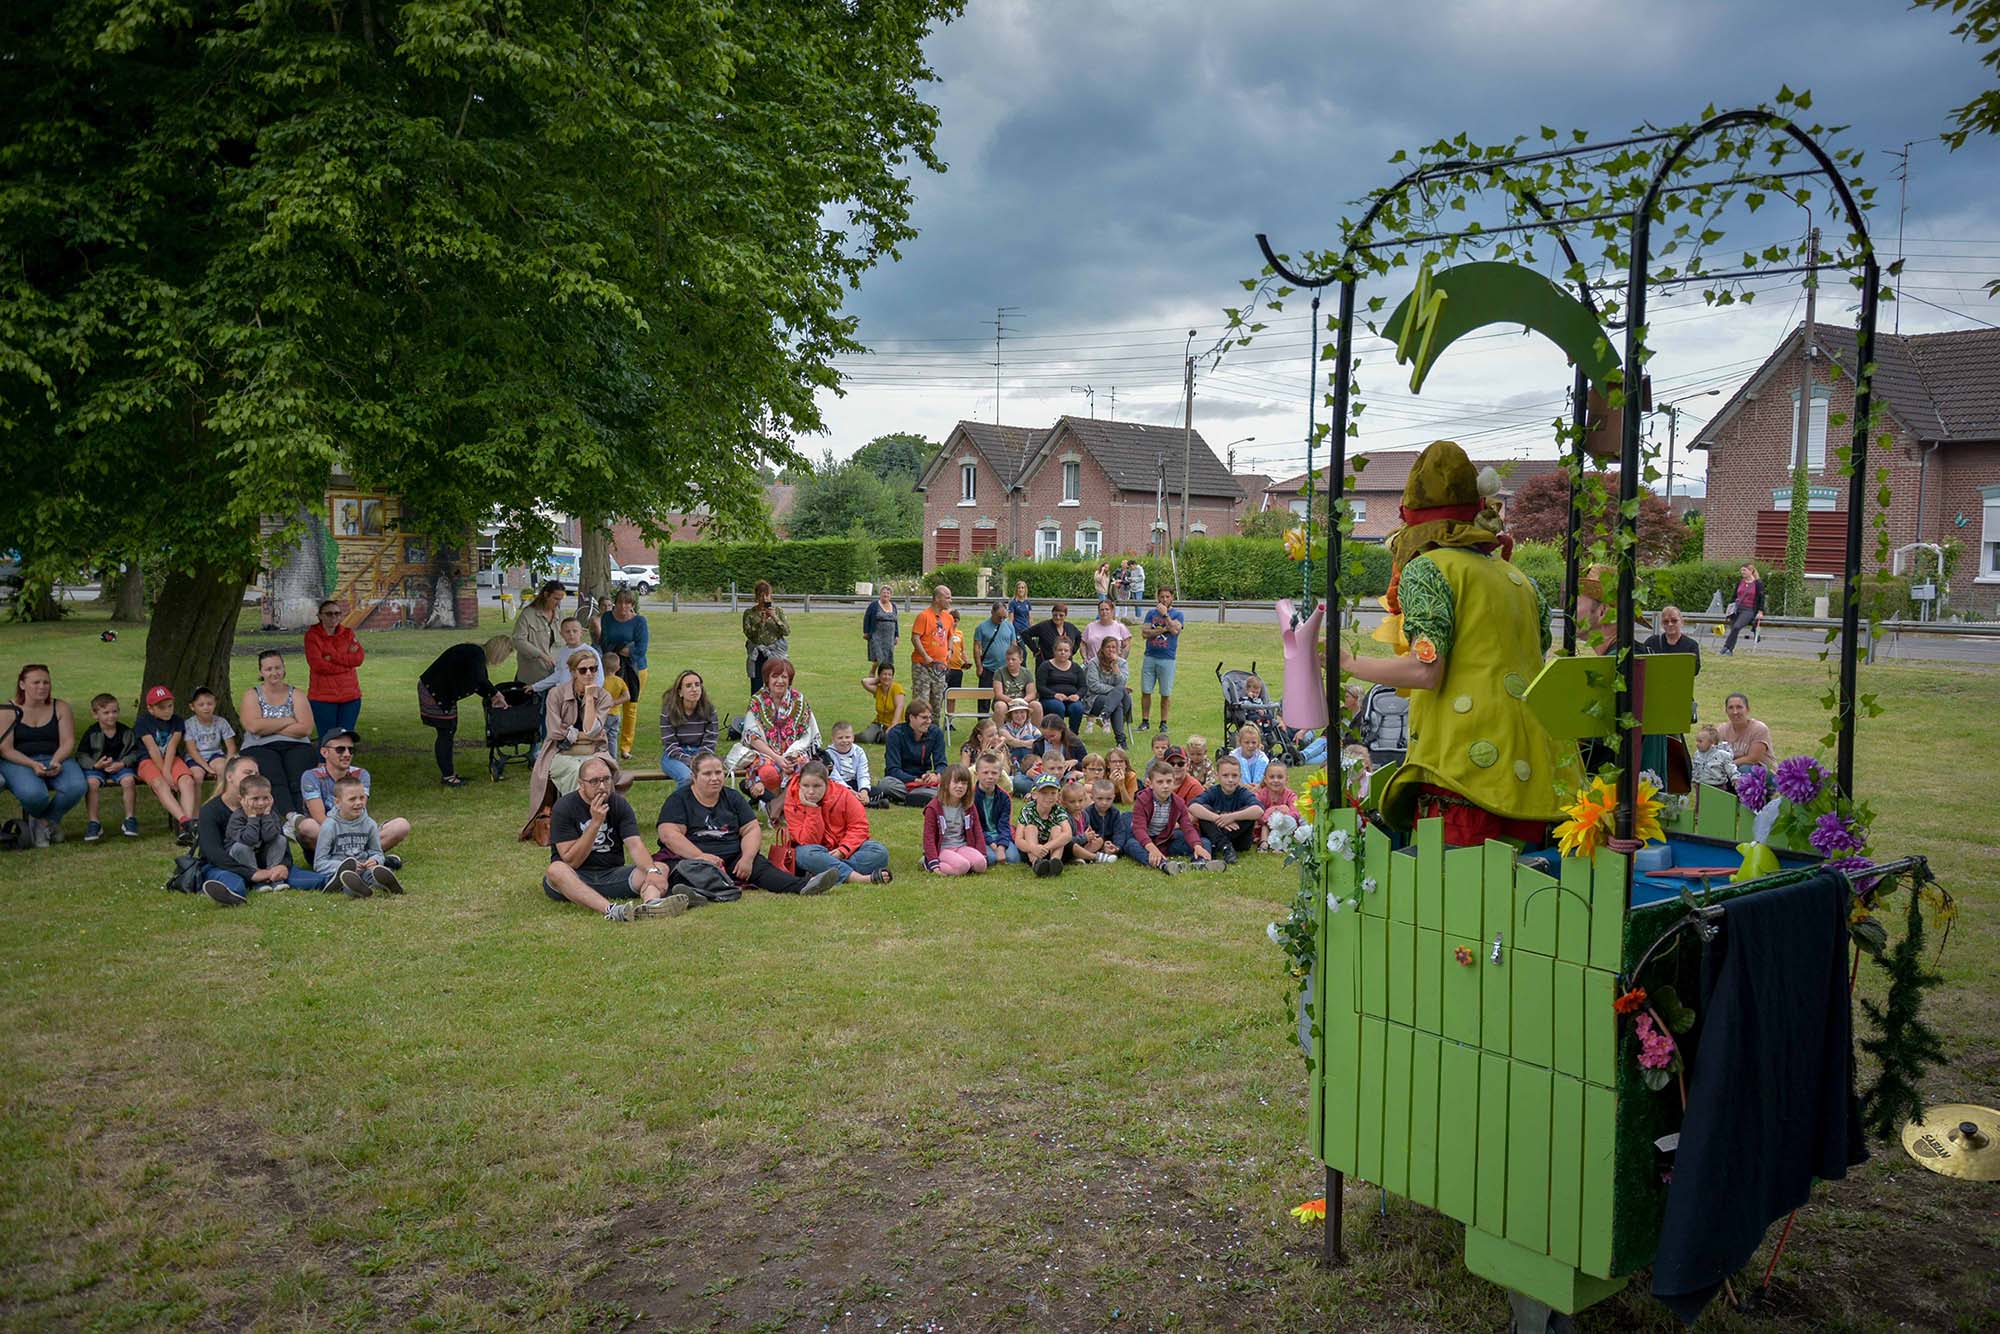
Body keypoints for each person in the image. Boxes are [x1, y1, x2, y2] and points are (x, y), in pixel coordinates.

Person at [1337, 439, 1565, 846]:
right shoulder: (1520, 581)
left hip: (1464, 765)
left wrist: (1350, 663)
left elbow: (1426, 670)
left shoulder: (1428, 570)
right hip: (1529, 762)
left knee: (1457, 892)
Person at [657, 752, 843, 897]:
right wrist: (700, 856)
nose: (715, 778)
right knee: (682, 872)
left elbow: (751, 829)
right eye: (707, 774)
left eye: (718, 772)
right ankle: (698, 892)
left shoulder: (732, 797)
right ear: (694, 776)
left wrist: (746, 858)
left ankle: (804, 886)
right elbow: (669, 835)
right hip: (693, 860)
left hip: (733, 859)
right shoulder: (679, 800)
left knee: (762, 868)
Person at [543, 756, 688, 921]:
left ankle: (652, 904)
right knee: (556, 870)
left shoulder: (619, 804)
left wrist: (652, 871)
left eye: (606, 779)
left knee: (660, 867)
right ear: (581, 784)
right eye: (594, 781)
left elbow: (635, 845)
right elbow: (571, 861)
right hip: (574, 879)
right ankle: (612, 910)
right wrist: (595, 824)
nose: (602, 786)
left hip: (612, 875)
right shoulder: (564, 807)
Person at [195, 756, 335, 905]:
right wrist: (252, 874)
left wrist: (283, 865)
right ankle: (231, 894)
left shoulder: (264, 805)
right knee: (232, 880)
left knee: (297, 876)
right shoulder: (210, 810)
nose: (254, 778)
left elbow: (279, 840)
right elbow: (213, 854)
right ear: (230, 777)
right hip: (227, 865)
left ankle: (334, 881)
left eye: (257, 774)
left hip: (266, 862)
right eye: (248, 773)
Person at [525, 649, 619, 825]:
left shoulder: (603, 696)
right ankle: (579, 820)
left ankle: (599, 820)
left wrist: (590, 699)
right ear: (573, 672)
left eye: (593, 669)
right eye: (583, 670)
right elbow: (554, 731)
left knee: (598, 773)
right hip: (559, 753)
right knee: (577, 772)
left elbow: (592, 732)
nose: (589, 674)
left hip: (595, 752)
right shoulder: (556, 694)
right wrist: (579, 735)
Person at [3, 665, 93, 847]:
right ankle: (46, 824)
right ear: (22, 684)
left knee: (76, 786)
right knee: (35, 795)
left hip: (54, 757)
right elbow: (6, 749)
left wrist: (56, 761)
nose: (42, 687)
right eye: (36, 682)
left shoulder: (60, 707)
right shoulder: (7, 710)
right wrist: (32, 765)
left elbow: (68, 742)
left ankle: (43, 823)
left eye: (46, 682)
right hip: (18, 760)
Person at [295, 728, 411, 858]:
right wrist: (344, 839)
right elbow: (320, 817)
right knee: (308, 826)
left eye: (351, 750)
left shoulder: (361, 774)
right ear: (324, 752)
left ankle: (357, 859)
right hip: (327, 837)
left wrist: (354, 839)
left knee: (401, 825)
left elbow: (359, 811)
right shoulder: (311, 776)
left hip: (357, 834)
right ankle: (364, 858)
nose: (347, 754)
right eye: (340, 749)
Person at [418, 636, 515, 786]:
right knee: (446, 732)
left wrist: (493, 696)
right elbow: (480, 679)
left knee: (448, 730)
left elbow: (478, 683)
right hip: (434, 691)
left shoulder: (475, 654)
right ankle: (448, 777)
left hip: (440, 691)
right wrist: (496, 694)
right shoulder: (475, 654)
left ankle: (449, 774)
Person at [785, 762, 891, 886]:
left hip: (845, 850)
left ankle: (822, 871)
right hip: (814, 850)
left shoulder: (844, 794)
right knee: (803, 854)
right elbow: (808, 841)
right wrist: (812, 809)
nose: (811, 791)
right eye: (805, 786)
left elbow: (859, 827)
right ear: (799, 784)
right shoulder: (792, 800)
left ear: (827, 783)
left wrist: (843, 850)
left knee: (879, 852)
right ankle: (858, 878)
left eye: (817, 786)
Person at [239, 650, 317, 817]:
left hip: (296, 744)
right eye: (268, 669)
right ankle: (289, 816)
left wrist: (267, 726)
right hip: (259, 746)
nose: (274, 673)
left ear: (284, 668)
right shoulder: (252, 694)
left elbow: (306, 729)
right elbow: (253, 727)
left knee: (298, 773)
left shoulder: (296, 694)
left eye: (277, 668)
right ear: (261, 672)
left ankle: (302, 816)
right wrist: (289, 720)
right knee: (274, 774)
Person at [310, 773, 408, 896]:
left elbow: (377, 852)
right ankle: (354, 889)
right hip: (339, 870)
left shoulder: (369, 824)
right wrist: (343, 866)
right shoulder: (329, 827)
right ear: (337, 802)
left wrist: (375, 860)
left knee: (372, 873)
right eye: (352, 799)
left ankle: (386, 883)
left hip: (364, 867)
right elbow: (319, 863)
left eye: (362, 798)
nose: (359, 802)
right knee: (345, 878)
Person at [731, 658, 820, 791]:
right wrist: (777, 758)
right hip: (766, 753)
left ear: (790, 680)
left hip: (793, 752)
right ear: (767, 679)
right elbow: (752, 737)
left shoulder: (799, 700)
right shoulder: (757, 701)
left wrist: (789, 755)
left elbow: (806, 735)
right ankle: (771, 802)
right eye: (775, 676)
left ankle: (791, 802)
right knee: (768, 772)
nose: (780, 681)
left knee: (802, 766)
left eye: (784, 677)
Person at [133, 685, 202, 841]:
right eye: (162, 707)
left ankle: (187, 828)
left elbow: (171, 747)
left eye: (170, 706)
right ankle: (184, 821)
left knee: (187, 781)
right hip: (148, 760)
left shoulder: (177, 721)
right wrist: (165, 774)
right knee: (159, 783)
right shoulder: (143, 722)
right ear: (151, 709)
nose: (167, 711)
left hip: (171, 759)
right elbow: (152, 749)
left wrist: (168, 770)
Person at [1126, 758, 1217, 872]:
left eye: (1169, 781)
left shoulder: (1178, 802)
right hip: (1145, 841)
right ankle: (1164, 864)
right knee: (1131, 845)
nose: (1165, 786)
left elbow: (1187, 827)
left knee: (1203, 842)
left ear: (1173, 782)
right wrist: (1152, 849)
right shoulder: (1143, 800)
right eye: (1160, 782)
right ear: (1150, 784)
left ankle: (1201, 862)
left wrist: (1196, 846)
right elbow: (1139, 829)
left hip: (1166, 841)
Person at [77, 692, 142, 841]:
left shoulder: (126, 732)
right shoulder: (92, 733)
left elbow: (135, 752)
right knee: (91, 783)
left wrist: (123, 763)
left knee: (129, 781)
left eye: (114, 711)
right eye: (106, 713)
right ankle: (94, 822)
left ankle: (130, 819)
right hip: (97, 767)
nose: (111, 716)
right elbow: (81, 755)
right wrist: (95, 765)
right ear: (95, 715)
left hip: (120, 766)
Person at [596, 588, 650, 761]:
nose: (622, 606)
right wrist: (624, 646)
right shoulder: (607, 618)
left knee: (630, 706)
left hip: (635, 669)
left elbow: (641, 649)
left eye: (627, 603)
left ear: (633, 605)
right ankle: (605, 741)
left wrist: (622, 647)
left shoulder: (640, 621)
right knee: (609, 704)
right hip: (611, 668)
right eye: (619, 602)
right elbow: (605, 643)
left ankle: (626, 746)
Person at [304, 599, 366, 739]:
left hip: (350, 696)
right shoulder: (312, 636)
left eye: (337, 614)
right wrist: (347, 666)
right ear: (320, 616)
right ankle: (323, 762)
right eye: (329, 614)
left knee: (345, 738)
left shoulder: (348, 633)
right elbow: (318, 665)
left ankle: (342, 762)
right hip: (323, 698)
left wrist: (331, 657)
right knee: (328, 739)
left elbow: (358, 659)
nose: (334, 617)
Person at [1189, 754, 1265, 865]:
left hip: (1239, 841)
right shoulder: (1213, 791)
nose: (1230, 780)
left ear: (1240, 776)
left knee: (1248, 811)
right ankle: (1225, 847)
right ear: (1217, 776)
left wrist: (1231, 817)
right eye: (1225, 775)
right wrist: (1218, 818)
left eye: (1234, 776)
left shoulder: (1243, 792)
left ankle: (1224, 845)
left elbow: (1259, 810)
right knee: (1204, 810)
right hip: (1216, 832)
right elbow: (1193, 806)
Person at [921, 763, 988, 876]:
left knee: (981, 864)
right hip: (943, 848)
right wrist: (934, 862)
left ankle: (961, 862)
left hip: (961, 846)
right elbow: (929, 837)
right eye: (956, 782)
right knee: (963, 866)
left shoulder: (968, 806)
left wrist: (982, 853)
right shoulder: (933, 808)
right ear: (946, 784)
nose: (960, 786)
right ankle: (928, 862)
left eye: (964, 783)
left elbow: (977, 830)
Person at [658, 669, 720, 788]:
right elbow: (669, 744)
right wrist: (688, 760)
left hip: (701, 753)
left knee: (712, 777)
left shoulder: (709, 710)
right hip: (673, 755)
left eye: (697, 685)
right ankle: (679, 806)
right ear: (680, 692)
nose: (694, 689)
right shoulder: (668, 711)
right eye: (688, 686)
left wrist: (699, 759)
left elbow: (710, 741)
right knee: (687, 778)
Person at [225, 774, 293, 880]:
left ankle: (273, 875)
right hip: (242, 860)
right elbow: (249, 840)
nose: (261, 803)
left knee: (280, 839)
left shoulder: (271, 814)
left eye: (265, 798)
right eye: (255, 799)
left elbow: (270, 837)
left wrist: (266, 815)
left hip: (261, 856)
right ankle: (257, 878)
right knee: (241, 847)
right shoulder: (237, 817)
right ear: (242, 799)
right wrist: (252, 817)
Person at [879, 701, 945, 806]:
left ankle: (917, 796)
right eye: (924, 718)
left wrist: (935, 775)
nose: (928, 721)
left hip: (926, 781)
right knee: (885, 784)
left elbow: (942, 764)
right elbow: (893, 769)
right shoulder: (895, 734)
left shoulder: (936, 733)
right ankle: (923, 796)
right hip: (903, 781)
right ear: (911, 717)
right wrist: (916, 780)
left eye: (929, 718)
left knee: (950, 782)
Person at [1136, 588, 1184, 732]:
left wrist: (1165, 615)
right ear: (1157, 597)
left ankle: (1163, 722)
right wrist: (1163, 630)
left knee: (1165, 693)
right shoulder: (1151, 614)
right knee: (1146, 690)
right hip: (1150, 656)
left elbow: (1176, 631)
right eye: (1161, 596)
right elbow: (1145, 633)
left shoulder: (1178, 614)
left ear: (1172, 598)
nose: (1164, 599)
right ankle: (1145, 720)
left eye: (1167, 596)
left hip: (1167, 658)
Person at [909, 585, 955, 727]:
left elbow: (950, 637)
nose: (950, 601)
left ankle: (933, 731)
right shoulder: (924, 616)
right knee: (921, 701)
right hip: (922, 665)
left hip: (940, 667)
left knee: (937, 701)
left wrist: (949, 651)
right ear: (937, 598)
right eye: (947, 597)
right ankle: (916, 730)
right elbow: (915, 638)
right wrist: (925, 656)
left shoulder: (948, 618)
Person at [1013, 774, 1073, 877]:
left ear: (1058, 795)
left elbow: (1068, 834)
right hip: (1031, 850)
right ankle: (1036, 863)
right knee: (1030, 828)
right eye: (1044, 793)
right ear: (1034, 794)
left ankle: (1055, 862)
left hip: (1051, 847)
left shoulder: (1058, 810)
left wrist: (1045, 847)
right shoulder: (1028, 810)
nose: (1049, 797)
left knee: (1057, 829)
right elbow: (1018, 840)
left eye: (1053, 793)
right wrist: (1034, 848)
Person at [184, 686, 240, 793]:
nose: (206, 707)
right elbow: (192, 751)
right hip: (195, 758)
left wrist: (229, 762)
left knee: (222, 769)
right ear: (192, 707)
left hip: (215, 755)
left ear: (215, 703)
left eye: (210, 704)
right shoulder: (189, 724)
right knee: (197, 776)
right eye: (201, 705)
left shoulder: (221, 722)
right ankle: (196, 809)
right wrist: (207, 768)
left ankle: (217, 802)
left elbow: (231, 746)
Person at [527, 617, 602, 695]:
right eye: (567, 631)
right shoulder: (563, 652)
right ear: (561, 634)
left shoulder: (590, 652)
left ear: (581, 632)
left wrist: (589, 697)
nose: (571, 634)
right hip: (564, 696)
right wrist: (535, 687)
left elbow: (599, 678)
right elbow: (558, 674)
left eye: (575, 631)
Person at [512, 580, 566, 684]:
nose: (558, 603)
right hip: (533, 676)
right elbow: (518, 640)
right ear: (546, 595)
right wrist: (541, 655)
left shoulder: (560, 614)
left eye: (560, 599)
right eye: (555, 599)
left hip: (555, 675)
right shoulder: (528, 614)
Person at [1082, 636, 1132, 745]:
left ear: (1118, 649)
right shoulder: (1094, 663)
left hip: (1118, 701)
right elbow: (1094, 685)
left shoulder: (1122, 663)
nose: (1111, 650)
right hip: (1095, 699)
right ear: (1102, 649)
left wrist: (1115, 667)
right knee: (1117, 701)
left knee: (1117, 700)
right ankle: (1121, 741)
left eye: (1114, 647)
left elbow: (1121, 683)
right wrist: (1116, 691)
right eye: (1108, 647)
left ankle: (1105, 714)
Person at [742, 579, 790, 692]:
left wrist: (774, 617)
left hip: (775, 652)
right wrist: (761, 622)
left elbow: (787, 631)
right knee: (757, 686)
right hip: (757, 653)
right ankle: (757, 708)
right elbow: (749, 634)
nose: (764, 599)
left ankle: (777, 708)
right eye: (761, 596)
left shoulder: (778, 611)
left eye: (767, 595)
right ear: (756, 596)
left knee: (777, 684)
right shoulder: (749, 613)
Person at [971, 753, 1019, 865]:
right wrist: (992, 845)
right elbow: (976, 826)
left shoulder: (1004, 797)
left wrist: (1001, 847)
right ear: (977, 773)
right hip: (981, 835)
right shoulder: (970, 797)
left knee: (1013, 859)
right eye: (985, 772)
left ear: (1000, 774)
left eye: (994, 773)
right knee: (991, 859)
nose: (990, 776)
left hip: (999, 834)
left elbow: (1005, 824)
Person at [973, 601, 1017, 711]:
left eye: (1004, 617)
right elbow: (977, 647)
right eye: (999, 617)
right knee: (984, 699)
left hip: (1005, 669)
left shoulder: (1009, 626)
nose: (1001, 619)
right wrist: (979, 667)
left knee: (1004, 698)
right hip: (988, 668)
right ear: (992, 612)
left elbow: (1014, 646)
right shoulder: (981, 627)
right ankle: (982, 723)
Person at [1036, 636, 1087, 730]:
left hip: (1071, 699)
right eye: (1060, 650)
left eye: (1066, 650)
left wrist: (1077, 696)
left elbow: (1083, 687)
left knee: (1077, 707)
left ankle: (1073, 735)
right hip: (1050, 699)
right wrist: (1055, 695)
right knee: (1058, 706)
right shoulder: (1045, 666)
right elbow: (1040, 687)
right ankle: (1059, 733)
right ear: (1054, 651)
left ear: (1070, 653)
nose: (1063, 652)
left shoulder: (1076, 668)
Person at [1716, 692, 1774, 773]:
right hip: (1733, 770)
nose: (1735, 712)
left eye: (1739, 707)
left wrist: (1728, 765)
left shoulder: (1759, 729)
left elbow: (1753, 759)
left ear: (1747, 709)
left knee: (1744, 769)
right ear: (1726, 711)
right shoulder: (1722, 730)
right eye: (1731, 708)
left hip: (1761, 773)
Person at [1075, 778, 1128, 863]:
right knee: (1097, 842)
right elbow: (1085, 832)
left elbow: (1119, 832)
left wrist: (1116, 846)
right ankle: (1085, 856)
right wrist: (1100, 844)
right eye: (1100, 798)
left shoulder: (1115, 813)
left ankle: (1102, 854)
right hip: (1092, 844)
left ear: (1113, 797)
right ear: (1092, 797)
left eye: (1108, 799)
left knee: (1124, 836)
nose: (1104, 802)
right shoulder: (1087, 813)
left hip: (1109, 844)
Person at [821, 721, 874, 803]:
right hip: (838, 785)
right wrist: (851, 792)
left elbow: (863, 773)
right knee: (829, 792)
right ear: (833, 739)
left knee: (878, 790)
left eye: (847, 737)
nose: (844, 741)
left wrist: (864, 791)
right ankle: (867, 802)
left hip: (854, 783)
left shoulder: (859, 752)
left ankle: (860, 800)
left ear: (853, 738)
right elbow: (834, 777)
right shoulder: (827, 754)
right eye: (840, 738)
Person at [989, 644, 1040, 726]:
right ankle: (999, 735)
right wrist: (1013, 702)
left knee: (1036, 705)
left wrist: (1022, 702)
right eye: (1008, 659)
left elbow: (1031, 694)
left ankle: (1037, 735)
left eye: (1013, 659)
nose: (1010, 662)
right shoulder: (999, 672)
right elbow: (998, 694)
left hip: (1023, 702)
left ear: (1021, 660)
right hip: (1005, 702)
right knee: (1000, 706)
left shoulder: (1027, 673)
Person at [1720, 562, 1765, 656]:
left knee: (1736, 627)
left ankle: (1726, 647)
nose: (1742, 572)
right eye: (1741, 570)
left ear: (1751, 571)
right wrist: (1729, 608)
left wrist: (1760, 611)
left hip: (1749, 610)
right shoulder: (1740, 582)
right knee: (1733, 629)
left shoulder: (1758, 584)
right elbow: (1734, 596)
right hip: (1737, 608)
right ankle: (1728, 649)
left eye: (1744, 570)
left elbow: (1761, 598)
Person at [1254, 762, 1301, 849]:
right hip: (1266, 825)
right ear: (1265, 779)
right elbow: (1257, 814)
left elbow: (1296, 813)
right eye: (1272, 777)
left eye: (1280, 777)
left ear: (1286, 779)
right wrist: (1273, 811)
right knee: (1265, 826)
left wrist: (1283, 816)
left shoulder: (1290, 795)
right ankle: (1264, 843)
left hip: (1285, 825)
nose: (1275, 780)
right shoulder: (1260, 795)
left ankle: (1282, 844)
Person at [1024, 601, 1083, 669]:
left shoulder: (1070, 627)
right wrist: (1035, 650)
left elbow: (1079, 636)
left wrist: (1072, 651)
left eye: (1061, 615)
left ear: (1065, 615)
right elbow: (1025, 634)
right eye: (1055, 615)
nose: (1058, 617)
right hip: (1046, 665)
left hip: (1066, 667)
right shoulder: (1043, 626)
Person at [858, 662, 906, 744]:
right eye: (884, 674)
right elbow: (864, 682)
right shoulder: (878, 689)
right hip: (878, 724)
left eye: (889, 675)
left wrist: (893, 725)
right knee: (865, 738)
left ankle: (880, 737)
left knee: (889, 738)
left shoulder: (897, 688)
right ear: (879, 675)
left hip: (895, 725)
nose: (887, 677)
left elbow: (900, 707)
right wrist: (879, 680)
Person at [1032, 714, 1084, 780]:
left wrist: (1076, 763)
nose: (1049, 739)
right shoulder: (1038, 744)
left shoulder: (1074, 743)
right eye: (1045, 736)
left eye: (1052, 736)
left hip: (1068, 777)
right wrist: (1029, 771)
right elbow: (1032, 763)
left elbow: (1087, 765)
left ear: (1061, 730)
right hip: (1043, 778)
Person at [862, 585, 899, 672]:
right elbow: (867, 618)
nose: (886, 595)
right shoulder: (873, 605)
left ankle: (884, 675)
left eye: (888, 593)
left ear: (890, 595)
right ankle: (873, 671)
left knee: (888, 657)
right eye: (884, 592)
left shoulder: (893, 606)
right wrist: (866, 632)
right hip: (876, 635)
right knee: (879, 656)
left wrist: (897, 635)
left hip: (889, 637)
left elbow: (895, 621)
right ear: (880, 594)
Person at [1690, 724, 1735, 789]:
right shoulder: (1697, 754)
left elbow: (1731, 768)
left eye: (1700, 741)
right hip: (1701, 785)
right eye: (1696, 741)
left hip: (1718, 786)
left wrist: (1735, 778)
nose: (1697, 744)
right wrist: (1694, 779)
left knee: (1716, 799)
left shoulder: (1722, 755)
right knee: (1701, 799)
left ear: (1712, 743)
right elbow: (1695, 768)